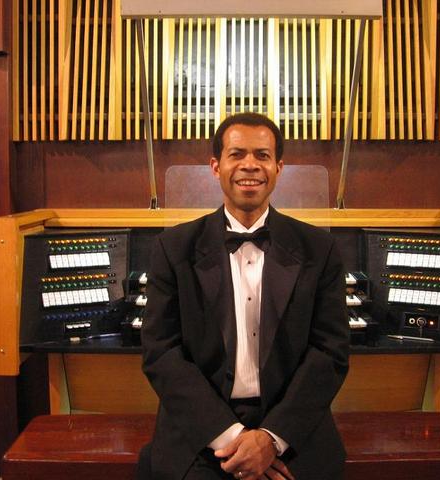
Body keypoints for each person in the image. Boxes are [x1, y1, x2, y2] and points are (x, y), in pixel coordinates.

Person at [138, 112, 350, 480]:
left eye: (262, 155)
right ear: (215, 166)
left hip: (291, 428)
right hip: (203, 428)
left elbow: (330, 351)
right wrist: (233, 438)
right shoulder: (173, 248)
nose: (249, 165)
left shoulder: (320, 248)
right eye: (236, 154)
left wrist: (271, 439)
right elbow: (161, 352)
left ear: (278, 168)